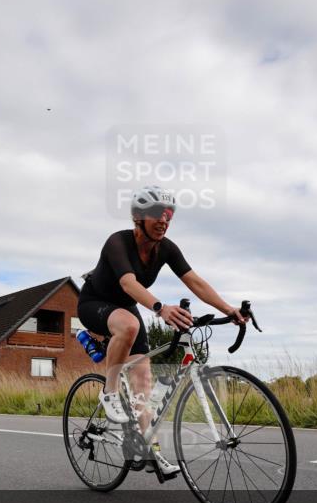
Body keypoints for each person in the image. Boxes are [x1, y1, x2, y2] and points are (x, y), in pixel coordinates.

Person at [77, 185, 247, 477]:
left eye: (168, 214)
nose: (164, 220)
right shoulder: (118, 242)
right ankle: (109, 392)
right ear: (138, 217)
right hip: (95, 303)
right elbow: (128, 283)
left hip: (126, 307)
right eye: (157, 213)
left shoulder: (166, 248)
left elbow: (195, 282)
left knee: (143, 383)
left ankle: (150, 451)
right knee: (129, 325)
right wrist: (160, 308)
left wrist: (228, 309)